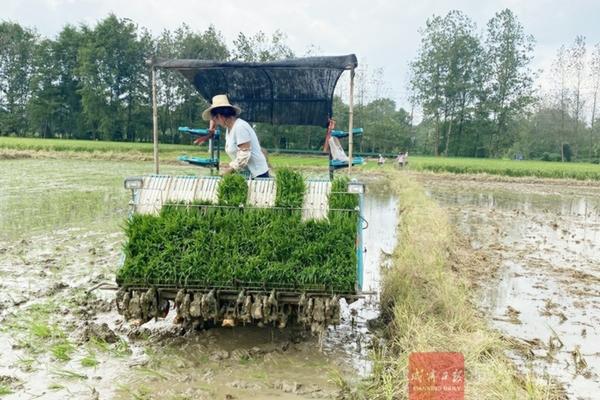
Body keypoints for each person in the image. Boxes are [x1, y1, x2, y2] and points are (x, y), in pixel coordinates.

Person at [202, 94, 269, 178]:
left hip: (258, 174)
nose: (215, 122)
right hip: (247, 174)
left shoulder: (240, 127)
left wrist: (229, 171)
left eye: (215, 118)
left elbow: (244, 154)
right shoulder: (229, 129)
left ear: (220, 116)